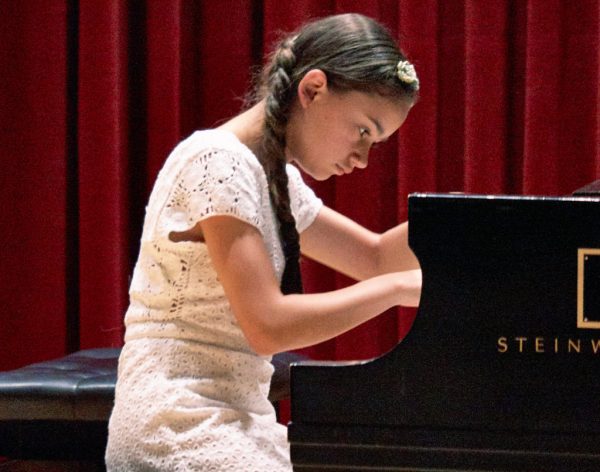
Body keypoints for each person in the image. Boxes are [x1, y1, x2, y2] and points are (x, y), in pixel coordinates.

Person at [105, 12, 422, 472]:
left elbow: (373, 258)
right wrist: (396, 291)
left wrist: (484, 219)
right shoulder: (217, 162)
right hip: (175, 424)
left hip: (236, 419)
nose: (363, 158)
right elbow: (267, 325)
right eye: (363, 131)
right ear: (313, 89)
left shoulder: (268, 173)